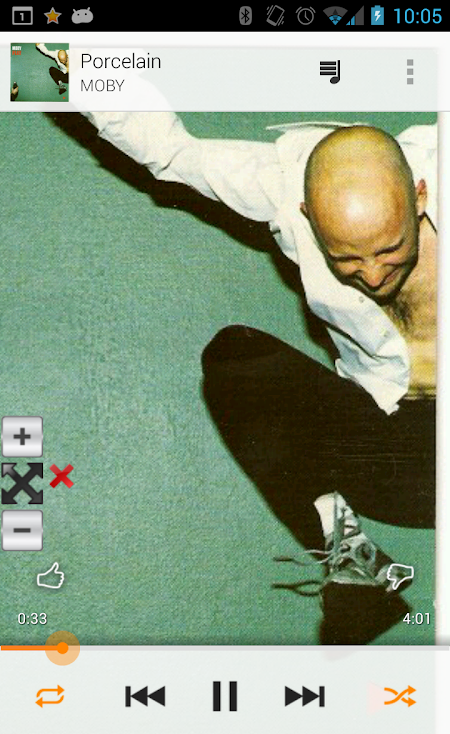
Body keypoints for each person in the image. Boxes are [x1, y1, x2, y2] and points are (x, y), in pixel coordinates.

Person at [78, 112, 436, 598]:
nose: (373, 275)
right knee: (237, 357)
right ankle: (348, 555)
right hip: (398, 461)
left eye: (389, 250)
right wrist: (42, 73)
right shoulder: (279, 189)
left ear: (420, 195)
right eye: (347, 259)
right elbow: (169, 151)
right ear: (308, 216)